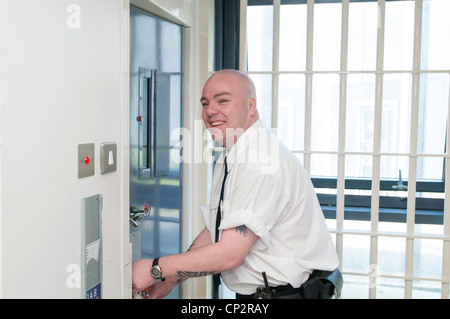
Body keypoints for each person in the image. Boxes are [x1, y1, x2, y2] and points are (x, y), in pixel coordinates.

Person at [131, 69, 339, 299]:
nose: (210, 110)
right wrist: (170, 278)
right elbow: (217, 228)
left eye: (222, 100)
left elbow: (229, 254)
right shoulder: (233, 153)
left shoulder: (260, 162)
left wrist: (154, 269)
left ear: (251, 106)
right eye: (205, 103)